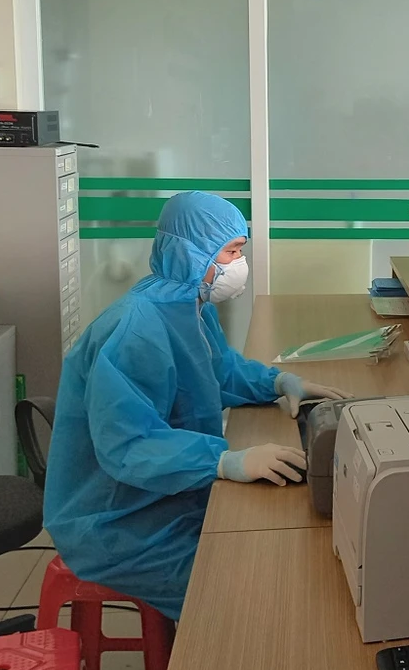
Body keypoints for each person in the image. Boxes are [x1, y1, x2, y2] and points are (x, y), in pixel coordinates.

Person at [43, 191, 350, 621]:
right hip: (119, 520)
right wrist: (224, 460)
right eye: (231, 252)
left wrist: (278, 382)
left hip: (162, 491)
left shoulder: (188, 305)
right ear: (191, 253)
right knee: (239, 594)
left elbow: (219, 369)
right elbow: (128, 446)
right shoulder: (136, 331)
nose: (239, 264)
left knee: (270, 554)